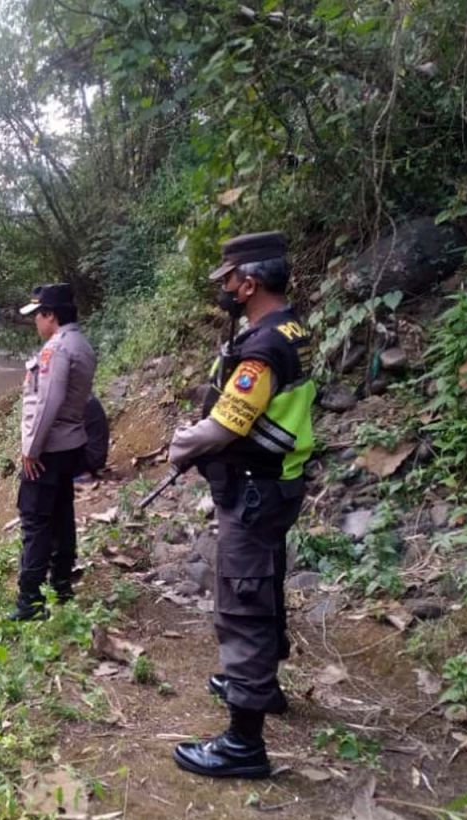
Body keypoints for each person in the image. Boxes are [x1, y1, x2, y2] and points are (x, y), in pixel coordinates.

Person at [165, 231, 315, 779]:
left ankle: (243, 745)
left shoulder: (264, 347)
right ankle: (262, 687)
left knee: (243, 604)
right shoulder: (293, 329)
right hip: (279, 485)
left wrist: (181, 445)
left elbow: (229, 421)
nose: (224, 289)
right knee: (266, 583)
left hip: (255, 490)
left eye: (228, 280)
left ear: (249, 283)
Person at [10, 283, 97, 621]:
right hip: (71, 445)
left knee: (35, 521)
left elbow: (47, 403)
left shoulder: (56, 349)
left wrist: (31, 450)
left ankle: (30, 602)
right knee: (61, 513)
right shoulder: (82, 344)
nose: (35, 322)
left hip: (48, 449)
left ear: (51, 315)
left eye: (38, 316)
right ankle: (61, 584)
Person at [74, 395, 110, 483]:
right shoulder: (79, 396)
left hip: (90, 456)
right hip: (93, 455)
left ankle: (80, 473)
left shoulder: (77, 402)